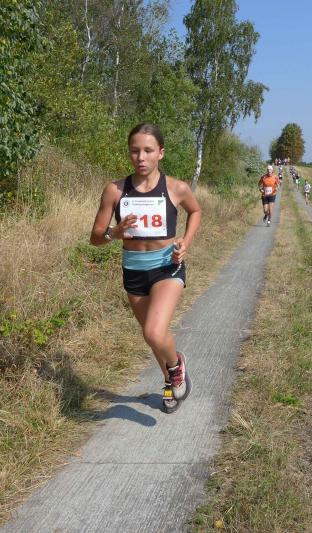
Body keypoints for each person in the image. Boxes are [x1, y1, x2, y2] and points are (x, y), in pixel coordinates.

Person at [89, 123, 202, 414]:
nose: (141, 157)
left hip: (167, 266)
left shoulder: (176, 188)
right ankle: (169, 381)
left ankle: (177, 367)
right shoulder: (115, 191)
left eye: (148, 151)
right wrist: (114, 233)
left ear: (160, 153)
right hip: (134, 270)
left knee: (154, 331)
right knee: (153, 337)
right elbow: (95, 238)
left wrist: (186, 242)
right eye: (135, 151)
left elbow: (195, 211)